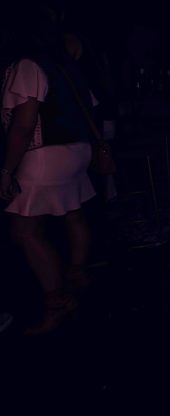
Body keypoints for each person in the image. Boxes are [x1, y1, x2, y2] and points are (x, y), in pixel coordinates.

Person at [1, 26, 96, 335]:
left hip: (45, 155)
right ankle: (77, 276)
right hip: (77, 150)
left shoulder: (28, 66)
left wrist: (6, 170)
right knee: (73, 214)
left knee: (25, 231)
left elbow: (24, 124)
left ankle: (58, 302)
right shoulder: (64, 67)